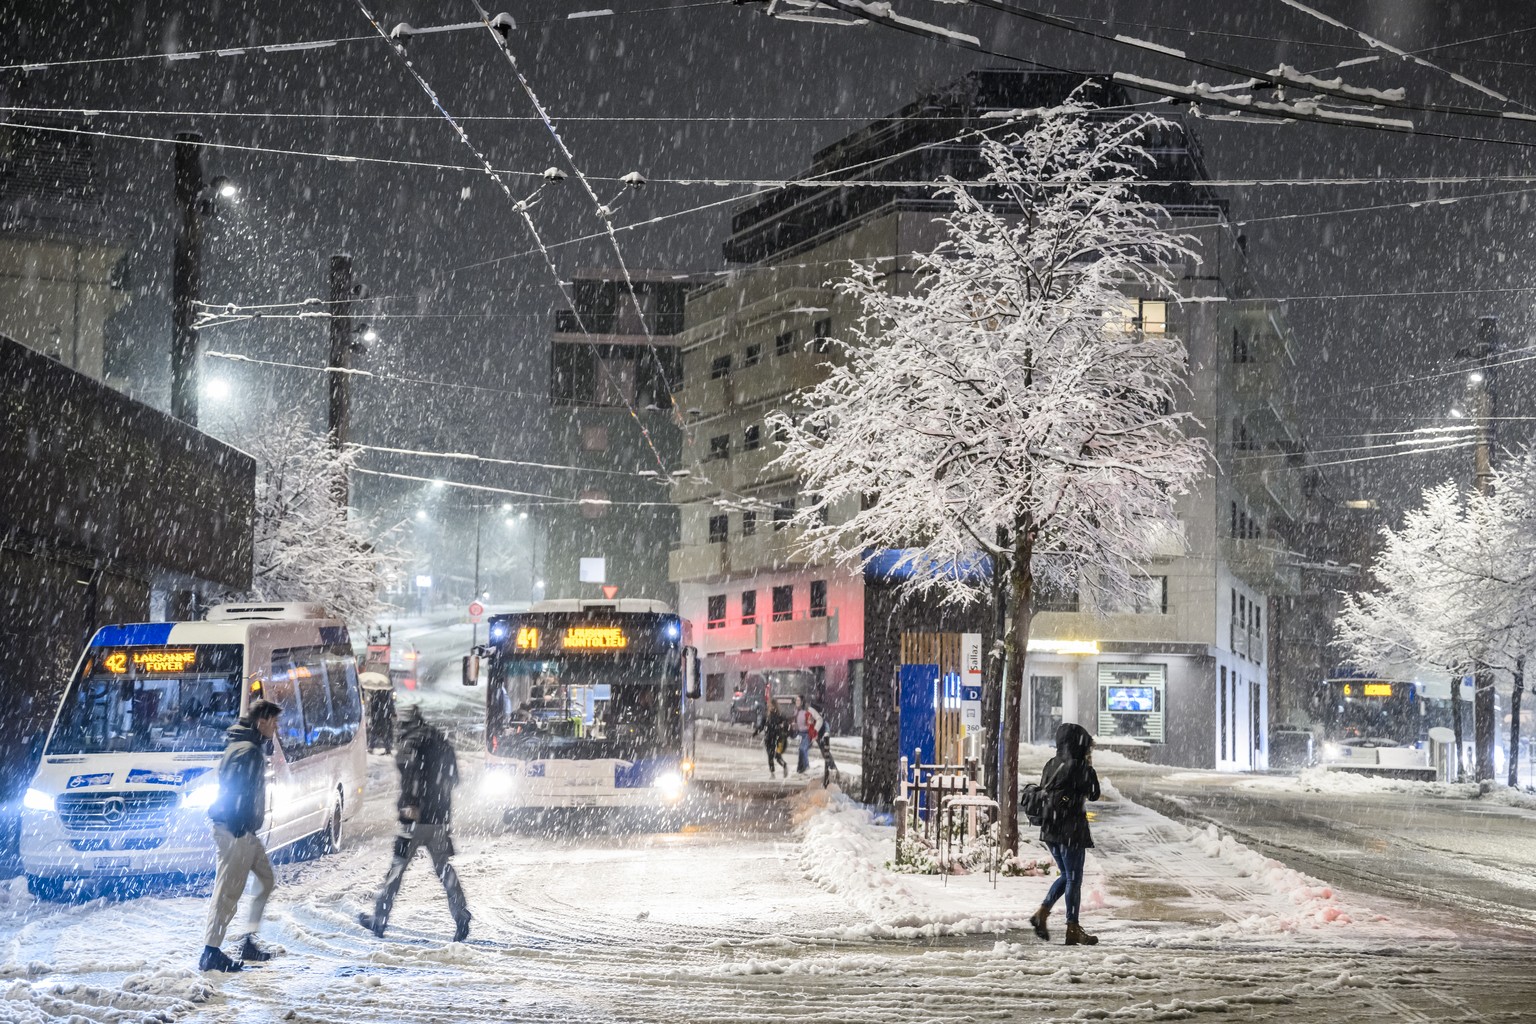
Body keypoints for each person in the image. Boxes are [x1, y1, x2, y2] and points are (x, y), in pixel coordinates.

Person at [359, 705, 471, 942]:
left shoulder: (411, 743)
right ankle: (461, 915)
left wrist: (412, 802)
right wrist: (438, 799)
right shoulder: (442, 742)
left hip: (414, 819)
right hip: (439, 819)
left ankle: (379, 919)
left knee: (397, 870)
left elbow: (411, 775)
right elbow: (455, 779)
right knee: (443, 868)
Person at [200, 698, 284, 973]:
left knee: (266, 879)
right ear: (262, 722)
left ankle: (248, 940)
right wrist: (238, 826)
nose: (276, 728)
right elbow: (236, 790)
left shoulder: (247, 746)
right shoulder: (247, 751)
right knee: (228, 892)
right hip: (235, 829)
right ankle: (211, 952)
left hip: (243, 828)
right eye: (274, 722)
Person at [1029, 722, 1102, 946]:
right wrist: (1088, 766)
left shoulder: (1051, 764)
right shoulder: (1080, 767)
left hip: (1050, 829)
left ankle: (1043, 912)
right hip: (1072, 829)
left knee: (1066, 875)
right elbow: (1095, 794)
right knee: (1073, 878)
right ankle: (1072, 927)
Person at [752, 696, 789, 777]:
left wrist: (782, 726)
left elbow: (786, 724)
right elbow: (761, 726)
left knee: (777, 756)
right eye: (769, 706)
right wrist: (755, 733)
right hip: (768, 739)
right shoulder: (766, 716)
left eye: (772, 706)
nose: (770, 707)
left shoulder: (780, 715)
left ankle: (784, 765)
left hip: (778, 739)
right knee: (770, 756)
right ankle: (772, 773)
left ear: (775, 706)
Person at [792, 695, 819, 775]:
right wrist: (794, 725)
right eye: (796, 700)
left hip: (807, 734)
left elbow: (811, 724)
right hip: (800, 734)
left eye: (798, 700)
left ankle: (806, 767)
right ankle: (800, 768)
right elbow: (797, 724)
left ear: (802, 702)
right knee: (801, 750)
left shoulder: (807, 712)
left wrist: (813, 735)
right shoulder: (796, 711)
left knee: (803, 749)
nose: (797, 702)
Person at [366, 686, 396, 754]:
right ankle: (387, 748)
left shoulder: (376, 695)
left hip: (378, 717)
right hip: (385, 717)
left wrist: (373, 715)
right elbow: (390, 705)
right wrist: (391, 713)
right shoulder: (387, 695)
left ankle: (372, 747)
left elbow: (373, 707)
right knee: (385, 733)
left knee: (375, 733)